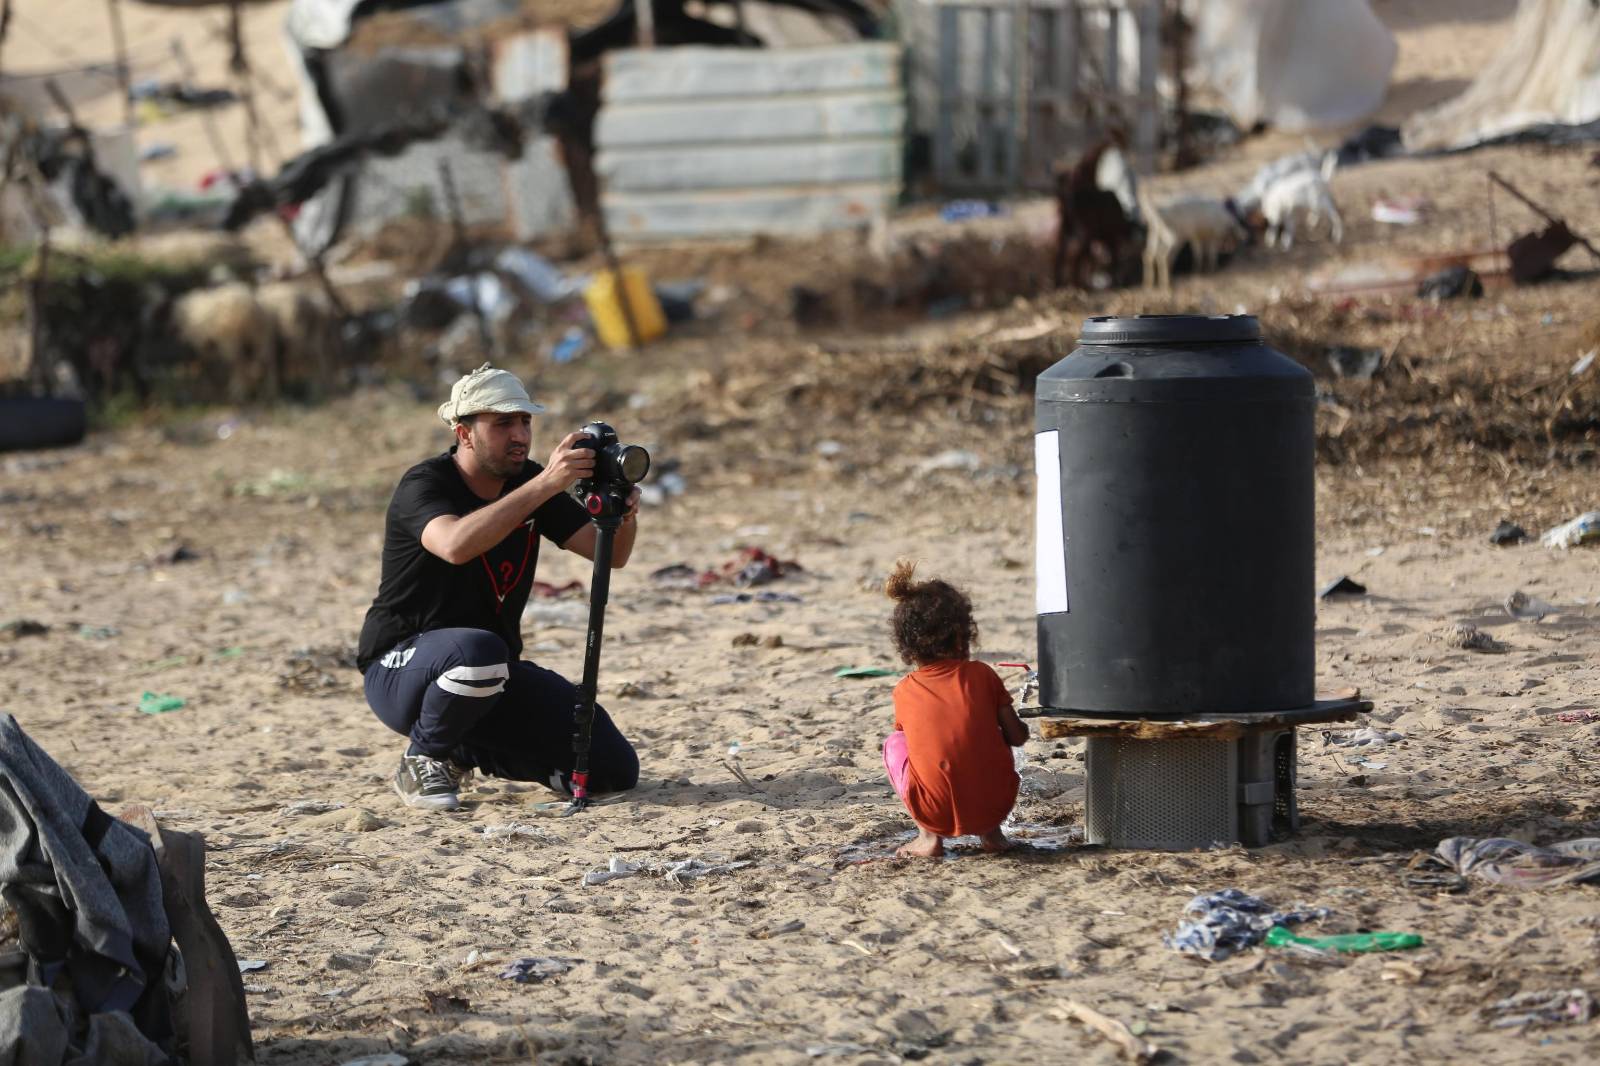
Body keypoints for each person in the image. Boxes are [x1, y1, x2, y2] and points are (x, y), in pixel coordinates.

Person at [357, 363, 641, 811]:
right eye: (503, 423)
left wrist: (621, 513)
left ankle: (461, 752)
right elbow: (454, 545)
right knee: (479, 652)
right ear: (464, 432)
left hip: (489, 673)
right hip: (400, 666)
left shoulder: (529, 482)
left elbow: (610, 554)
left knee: (611, 768)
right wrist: (548, 483)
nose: (520, 435)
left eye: (525, 421)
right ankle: (423, 756)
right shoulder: (425, 484)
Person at [881, 560, 1028, 857]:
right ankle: (993, 836)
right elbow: (1017, 737)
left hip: (933, 810)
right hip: (995, 804)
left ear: (907, 647)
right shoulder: (982, 674)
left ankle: (929, 838)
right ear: (962, 635)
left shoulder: (905, 690)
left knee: (896, 742)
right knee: (985, 734)